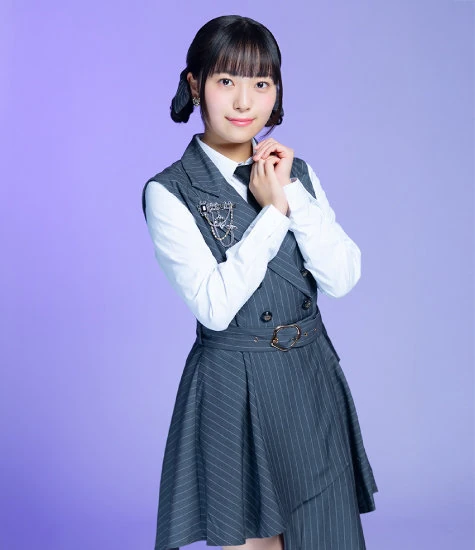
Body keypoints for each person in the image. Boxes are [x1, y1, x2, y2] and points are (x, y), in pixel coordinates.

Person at [141, 14, 378, 550]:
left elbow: (343, 277)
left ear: (277, 92)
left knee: (328, 536)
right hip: (235, 385)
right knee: (254, 542)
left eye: (261, 83)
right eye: (226, 81)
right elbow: (214, 306)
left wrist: (291, 196)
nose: (244, 102)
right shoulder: (170, 191)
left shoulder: (297, 173)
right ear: (195, 84)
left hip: (310, 377)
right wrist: (273, 214)